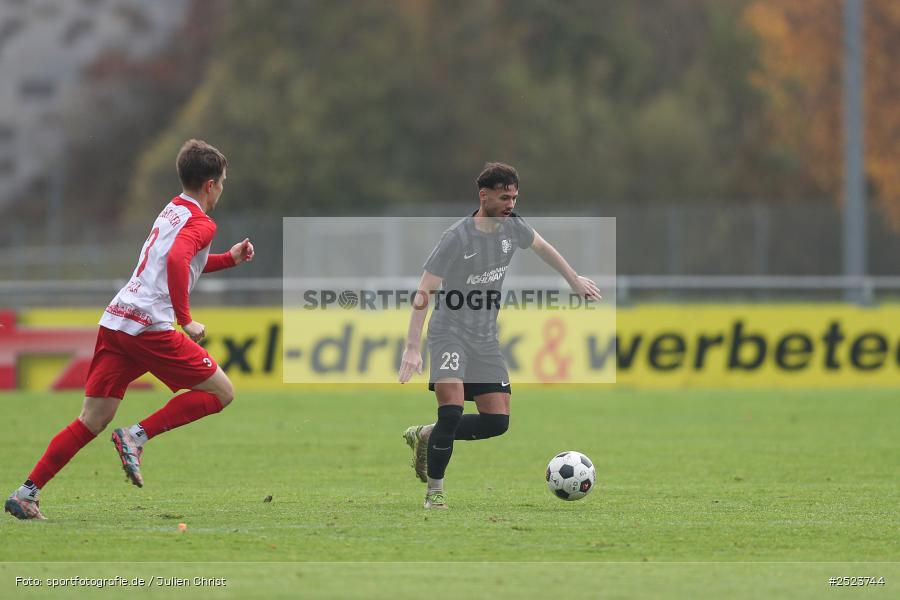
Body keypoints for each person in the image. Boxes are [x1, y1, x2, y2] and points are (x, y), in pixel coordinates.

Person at [4, 139, 254, 520]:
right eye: (222, 182)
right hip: (148, 326)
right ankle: (136, 435)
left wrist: (228, 259)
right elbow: (175, 259)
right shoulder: (202, 222)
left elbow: (177, 262)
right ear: (210, 185)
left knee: (92, 419)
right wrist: (186, 319)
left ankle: (26, 493)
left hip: (118, 318)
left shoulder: (172, 209)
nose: (222, 188)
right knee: (221, 392)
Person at [398, 162, 601, 509]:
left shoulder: (513, 228)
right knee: (452, 412)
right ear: (484, 195)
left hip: (485, 338)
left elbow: (543, 248)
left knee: (497, 421)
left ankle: (428, 435)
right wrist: (412, 348)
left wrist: (573, 279)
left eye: (515, 197)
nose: (511, 204)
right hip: (449, 333)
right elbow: (424, 292)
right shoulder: (457, 237)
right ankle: (434, 494)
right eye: (505, 197)